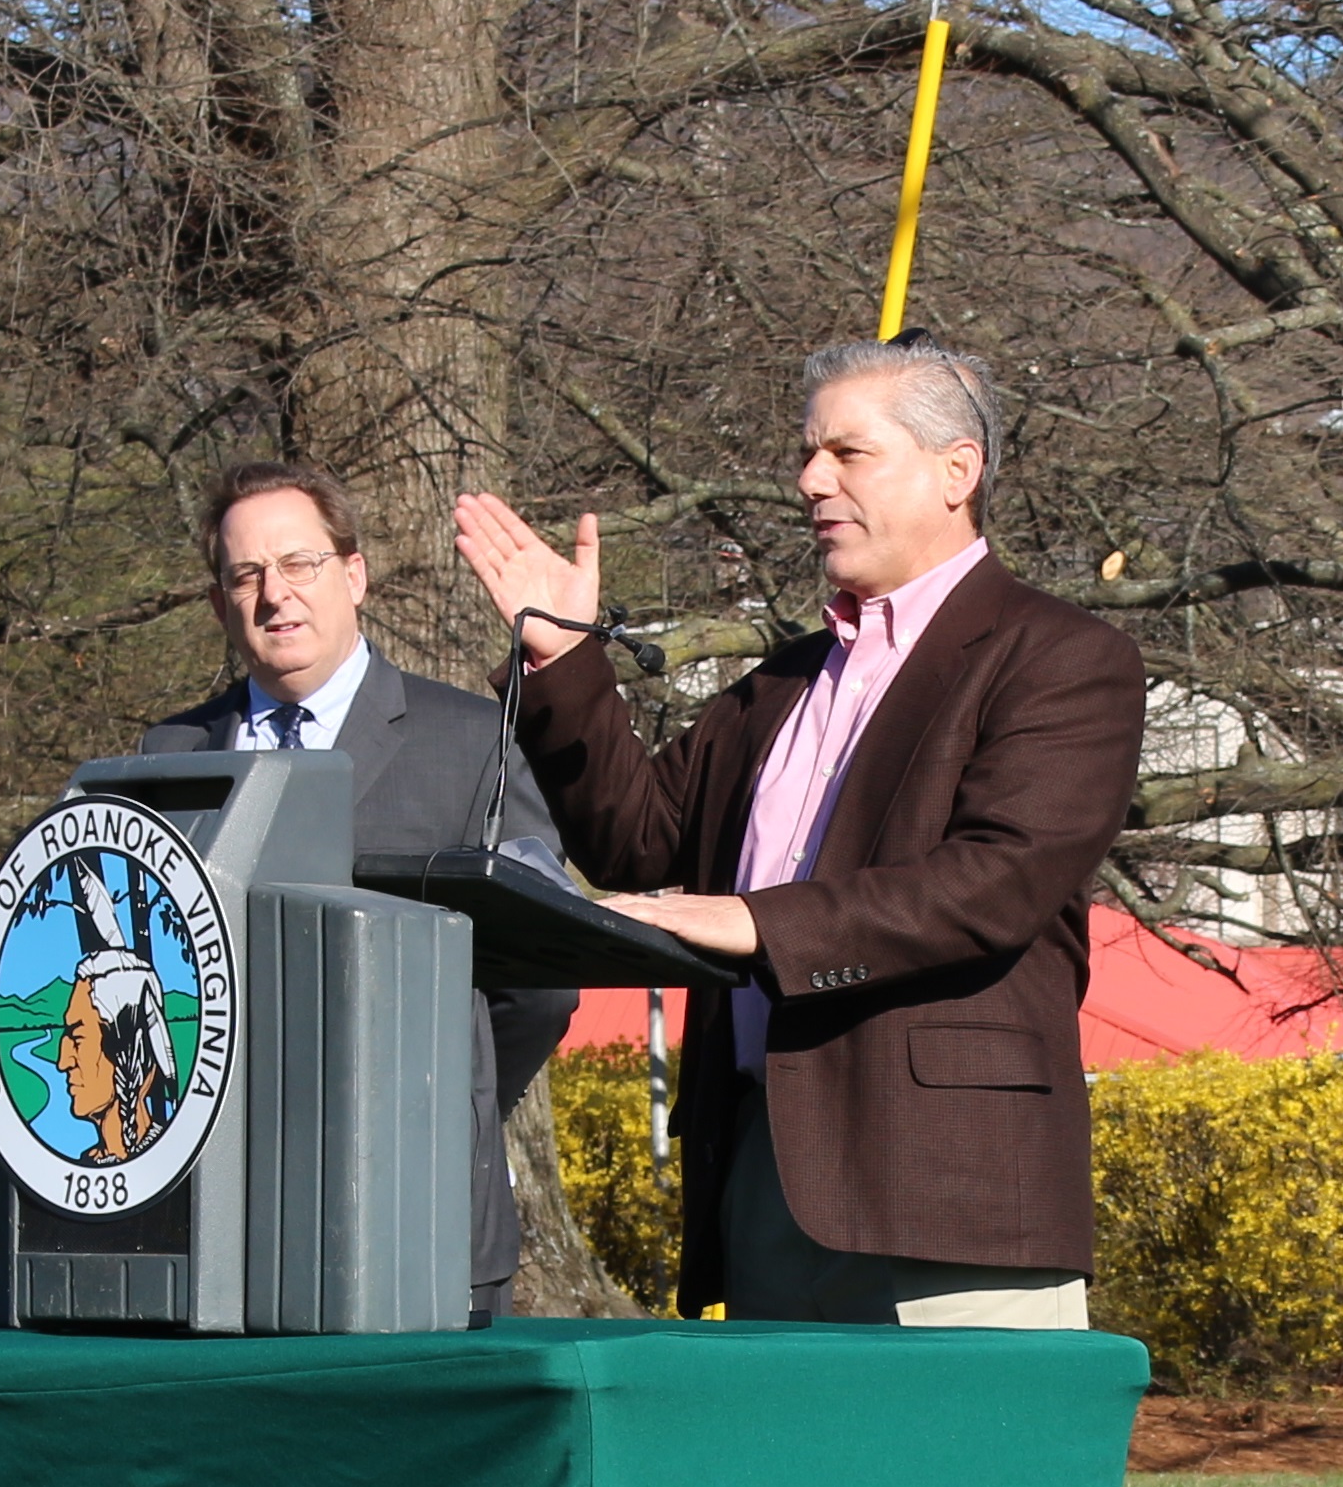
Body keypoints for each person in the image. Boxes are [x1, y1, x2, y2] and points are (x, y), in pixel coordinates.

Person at [452, 341, 1143, 1326]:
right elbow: (636, 849)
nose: (810, 480)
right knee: (786, 1484)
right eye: (807, 453)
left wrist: (759, 924)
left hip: (947, 1194)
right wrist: (564, 659)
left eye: (847, 453)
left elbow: (999, 881)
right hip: (763, 1181)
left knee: (953, 1485)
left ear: (958, 470)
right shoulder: (780, 685)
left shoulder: (1062, 657)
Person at [130, 459, 577, 1322]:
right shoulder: (168, 756)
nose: (275, 595)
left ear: (354, 575)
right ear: (220, 603)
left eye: (299, 564)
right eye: (246, 575)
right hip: (221, 1228)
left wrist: (450, 1091)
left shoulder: (471, 741)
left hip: (421, 1207)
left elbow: (542, 982)